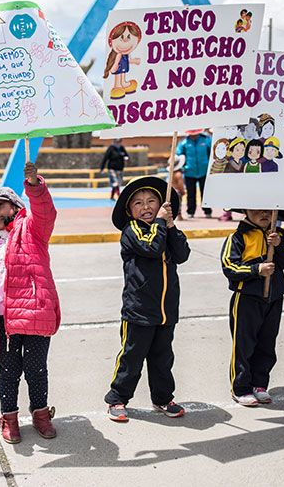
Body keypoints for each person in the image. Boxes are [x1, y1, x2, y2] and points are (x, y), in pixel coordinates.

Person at [0, 162, 61, 444]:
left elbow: (46, 214)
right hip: (3, 321)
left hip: (35, 315)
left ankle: (41, 414)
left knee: (36, 370)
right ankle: (9, 417)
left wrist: (35, 186)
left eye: (0, 207)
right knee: (8, 373)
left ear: (16, 207)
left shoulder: (32, 230)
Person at [104, 176, 191, 422]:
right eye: (139, 203)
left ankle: (163, 398)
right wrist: (162, 224)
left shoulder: (165, 228)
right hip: (138, 310)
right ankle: (117, 398)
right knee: (132, 356)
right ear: (130, 211)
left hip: (166, 310)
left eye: (152, 201)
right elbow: (152, 247)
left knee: (163, 358)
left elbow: (182, 254)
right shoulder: (131, 231)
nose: (146, 207)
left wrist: (171, 226)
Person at [221, 209, 284, 406]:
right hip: (247, 298)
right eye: (257, 210)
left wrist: (279, 246)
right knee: (244, 344)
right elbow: (229, 266)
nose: (264, 214)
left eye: (268, 210)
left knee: (267, 342)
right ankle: (241, 388)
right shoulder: (238, 237)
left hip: (274, 298)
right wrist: (257, 269)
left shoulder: (280, 236)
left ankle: (260, 384)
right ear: (246, 212)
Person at [176, 129, 212, 218]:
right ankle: (190, 211)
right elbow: (178, 156)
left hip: (204, 171)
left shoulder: (206, 140)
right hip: (189, 172)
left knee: (205, 192)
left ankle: (207, 211)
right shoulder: (184, 143)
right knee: (191, 193)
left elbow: (212, 153)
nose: (193, 135)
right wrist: (182, 167)